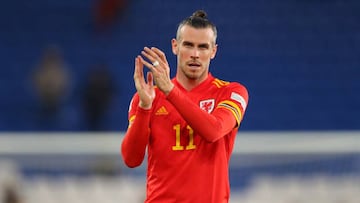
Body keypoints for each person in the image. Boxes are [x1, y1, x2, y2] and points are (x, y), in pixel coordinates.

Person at [121, 10, 249, 203]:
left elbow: (213, 130)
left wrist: (170, 91)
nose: (195, 54)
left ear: (213, 51)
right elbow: (131, 159)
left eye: (203, 47)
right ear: (175, 46)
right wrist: (145, 107)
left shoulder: (232, 92)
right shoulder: (148, 97)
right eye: (188, 45)